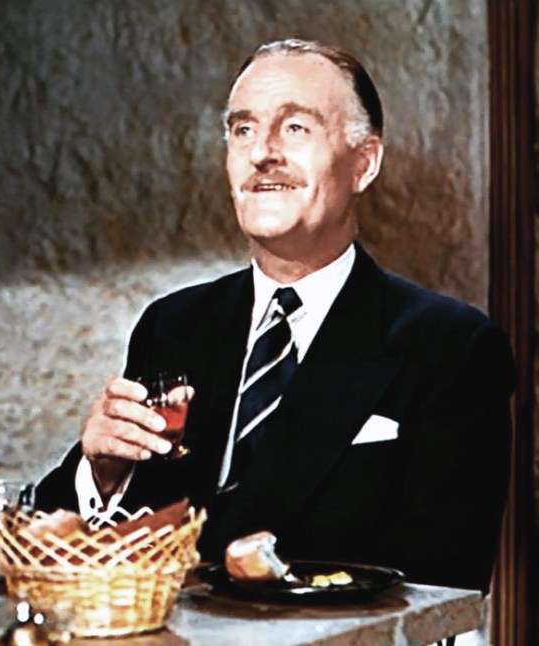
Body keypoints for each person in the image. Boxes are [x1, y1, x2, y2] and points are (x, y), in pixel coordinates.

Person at [34, 38, 514, 593]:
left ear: (363, 163)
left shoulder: (451, 348)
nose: (262, 153)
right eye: (243, 129)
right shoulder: (172, 325)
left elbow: (444, 585)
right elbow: (47, 542)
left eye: (296, 127)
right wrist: (102, 473)